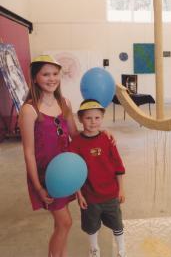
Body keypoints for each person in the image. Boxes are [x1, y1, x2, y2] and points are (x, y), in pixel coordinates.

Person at [19, 55, 115, 257]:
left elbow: (75, 135)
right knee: (65, 222)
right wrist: (38, 187)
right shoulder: (29, 109)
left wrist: (100, 131)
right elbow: (28, 153)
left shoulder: (64, 103)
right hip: (47, 176)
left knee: (60, 223)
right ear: (35, 77)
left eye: (55, 74)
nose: (51, 78)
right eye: (45, 74)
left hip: (67, 172)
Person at [69, 99, 126, 257]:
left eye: (97, 118)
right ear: (80, 119)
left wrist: (121, 189)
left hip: (111, 194)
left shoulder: (108, 139)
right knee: (91, 226)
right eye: (88, 118)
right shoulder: (75, 144)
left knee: (117, 223)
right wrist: (79, 195)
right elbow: (74, 173)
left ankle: (121, 248)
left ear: (102, 118)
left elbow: (118, 166)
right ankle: (94, 249)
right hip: (89, 196)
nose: (93, 122)